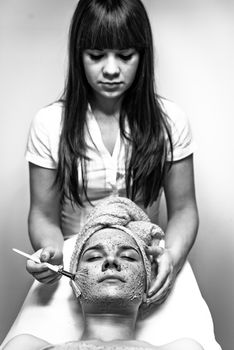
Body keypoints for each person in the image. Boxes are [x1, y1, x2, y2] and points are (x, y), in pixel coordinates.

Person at [25, 0, 198, 307]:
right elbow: (42, 213)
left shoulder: (170, 120)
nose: (111, 69)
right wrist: (48, 250)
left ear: (142, 56)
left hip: (147, 261)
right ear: (78, 55)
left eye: (125, 55)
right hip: (78, 265)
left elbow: (184, 209)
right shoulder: (50, 123)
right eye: (96, 55)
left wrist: (169, 255)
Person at [3, 199, 203, 350]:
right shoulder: (25, 346)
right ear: (74, 283)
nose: (111, 260)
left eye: (128, 257)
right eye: (93, 257)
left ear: (147, 286)